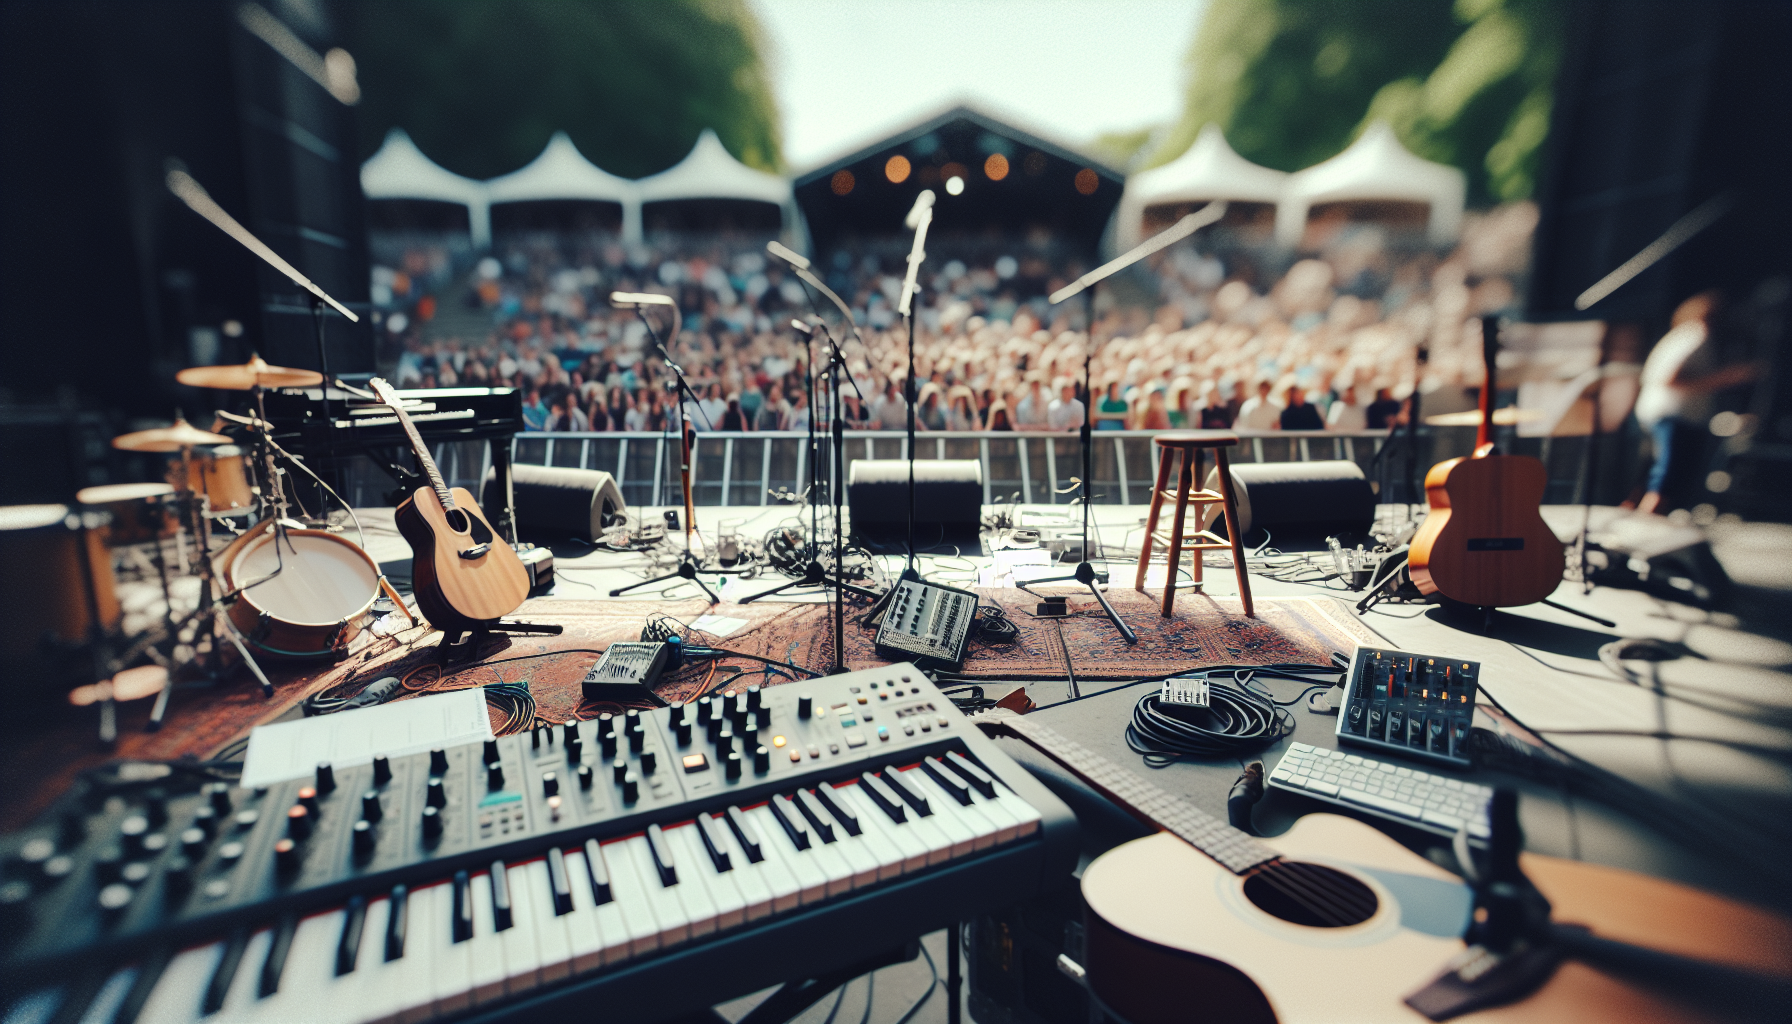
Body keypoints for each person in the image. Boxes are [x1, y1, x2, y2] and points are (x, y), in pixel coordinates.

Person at [1634, 292, 1759, 514]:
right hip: (1673, 412)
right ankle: (1649, 517)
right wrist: (1728, 378)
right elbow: (1670, 378)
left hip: (1659, 410)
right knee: (1669, 471)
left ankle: (1639, 513)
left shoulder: (1681, 334)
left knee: (1655, 468)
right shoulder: (1696, 334)